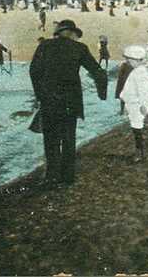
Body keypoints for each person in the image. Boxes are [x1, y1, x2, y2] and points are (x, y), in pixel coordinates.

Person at [29, 19, 107, 187]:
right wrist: (102, 93)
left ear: (58, 33)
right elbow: (98, 72)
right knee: (68, 139)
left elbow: (34, 71)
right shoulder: (80, 48)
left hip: (49, 100)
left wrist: (39, 95)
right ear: (72, 33)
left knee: (50, 141)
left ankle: (51, 178)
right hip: (71, 101)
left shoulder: (44, 46)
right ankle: (67, 178)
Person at [119, 45, 148, 163]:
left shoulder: (140, 73)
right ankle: (140, 151)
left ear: (137, 60)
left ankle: (140, 153)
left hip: (137, 105)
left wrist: (144, 104)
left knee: (137, 129)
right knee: (136, 129)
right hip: (132, 104)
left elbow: (145, 91)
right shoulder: (137, 71)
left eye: (130, 60)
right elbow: (129, 88)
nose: (128, 62)